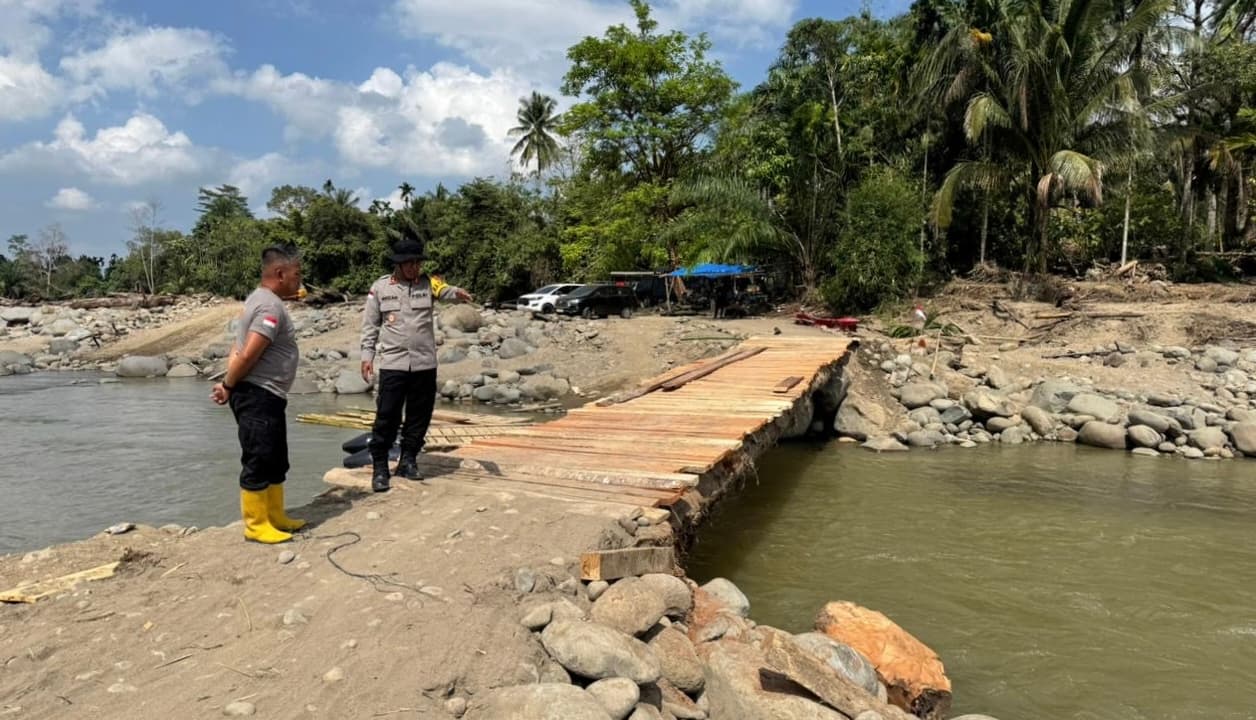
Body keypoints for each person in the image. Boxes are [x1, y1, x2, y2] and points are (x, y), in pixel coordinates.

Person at [360, 237, 473, 493]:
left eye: (417, 263)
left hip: (423, 364)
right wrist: (367, 356)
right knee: (387, 416)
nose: (414, 268)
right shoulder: (380, 288)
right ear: (398, 265)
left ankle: (408, 460)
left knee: (419, 416)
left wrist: (457, 293)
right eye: (409, 263)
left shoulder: (427, 284)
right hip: (393, 364)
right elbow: (370, 326)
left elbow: (445, 291)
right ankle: (380, 467)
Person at [210, 246, 306, 544]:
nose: (299, 281)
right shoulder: (269, 307)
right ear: (280, 273)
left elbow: (236, 347)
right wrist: (228, 384)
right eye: (296, 274)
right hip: (257, 394)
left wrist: (229, 382)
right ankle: (255, 524)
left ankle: (275, 515)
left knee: (276, 458)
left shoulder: (261, 299)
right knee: (259, 457)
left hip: (268, 394)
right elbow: (249, 353)